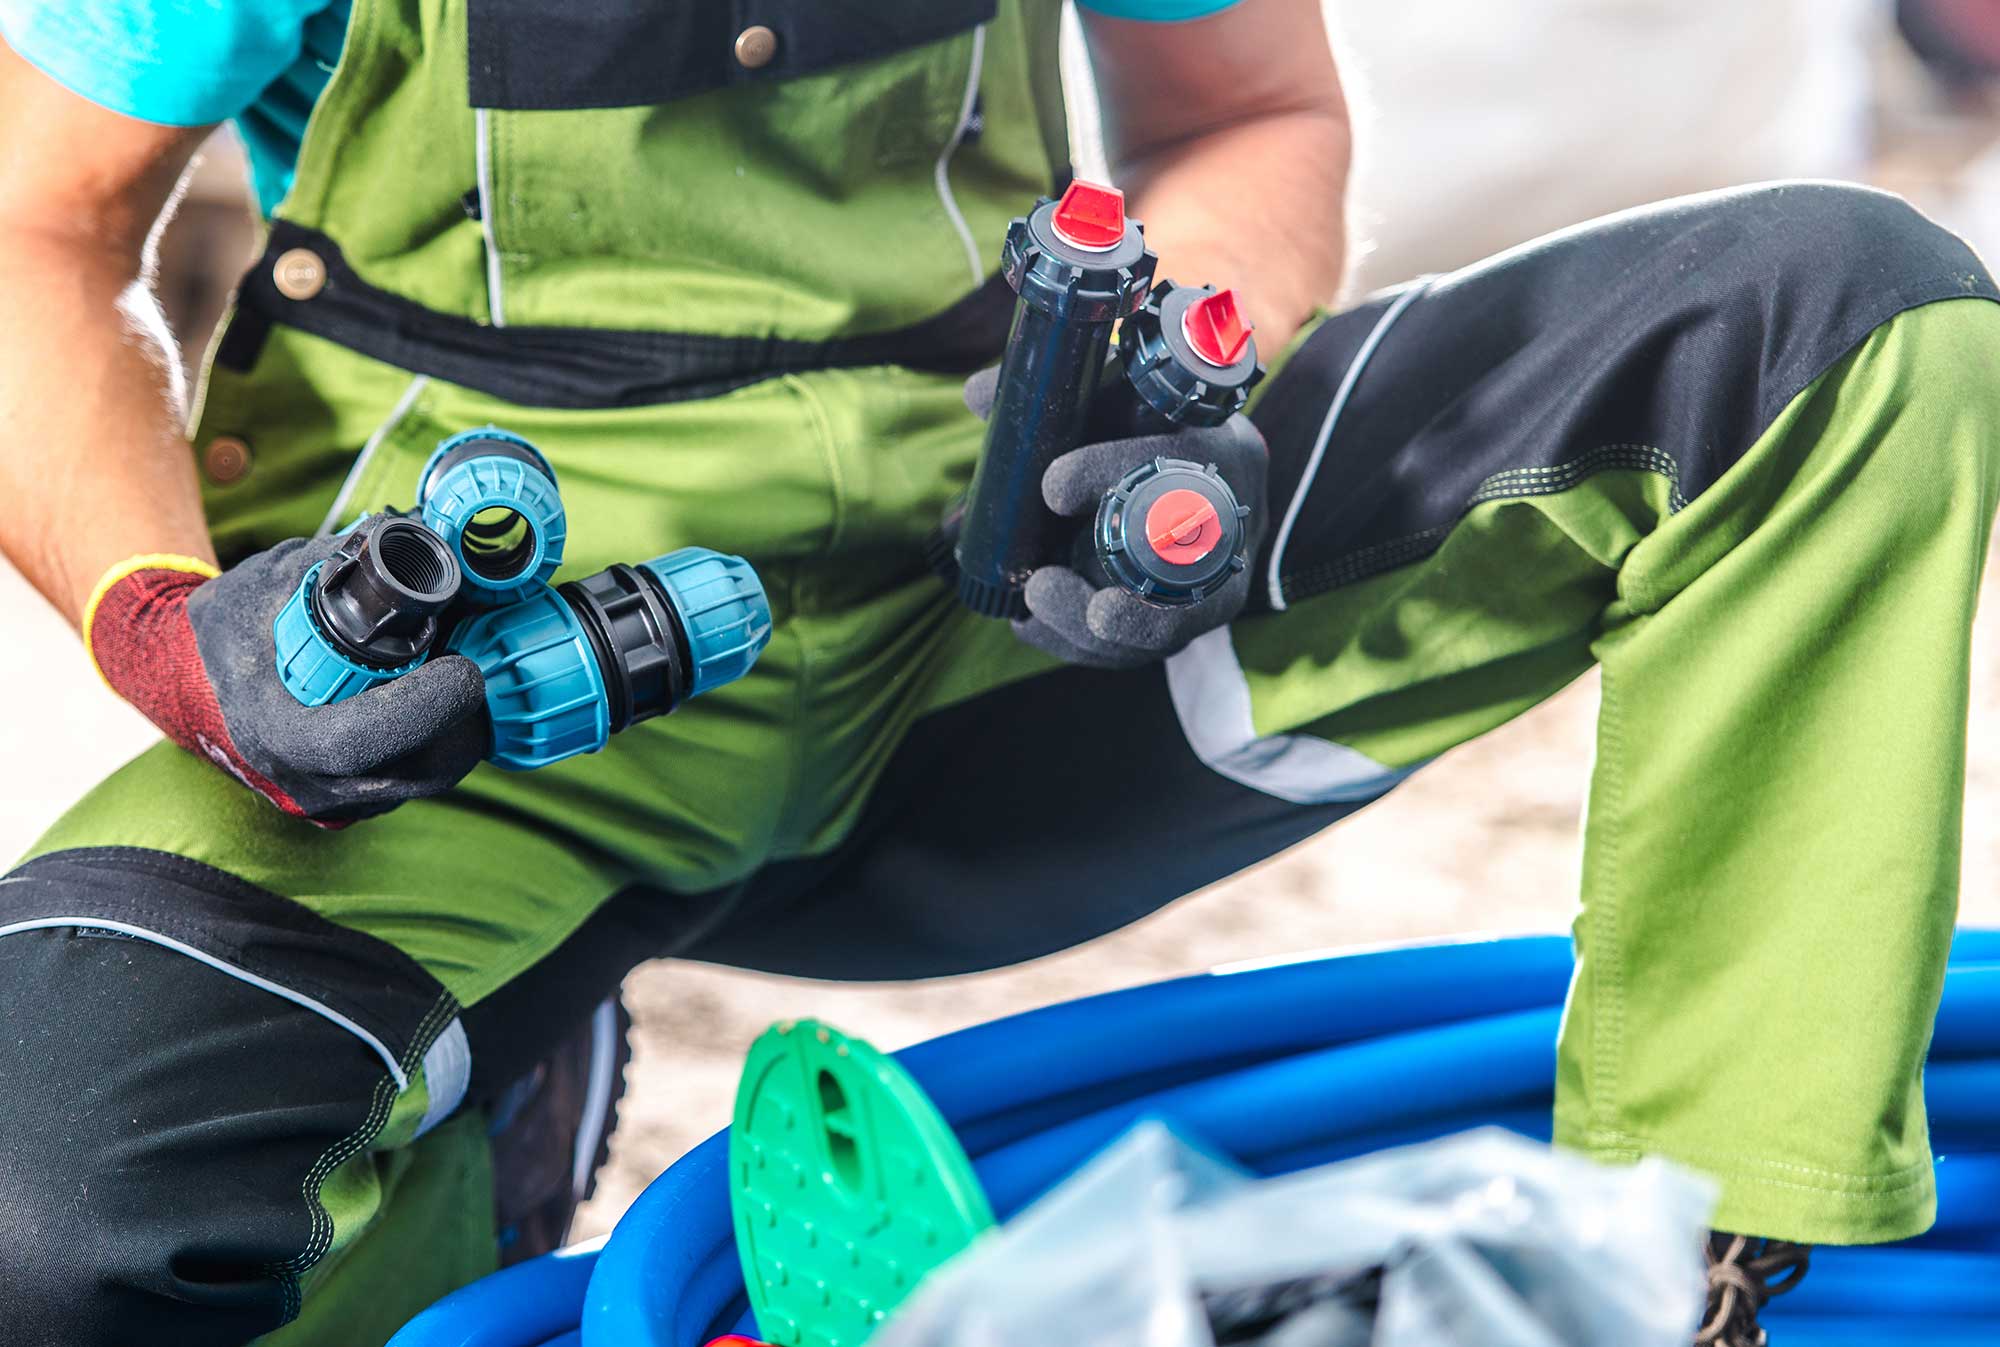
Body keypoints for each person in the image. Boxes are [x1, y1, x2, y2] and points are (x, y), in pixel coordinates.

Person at [0, 2, 1992, 1344]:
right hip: (482, 716)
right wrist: (165, 622)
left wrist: (1177, 377)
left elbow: (1250, 120)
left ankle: (1716, 1254)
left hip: (1024, 617)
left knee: (1840, 321)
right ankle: (462, 1123)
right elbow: (32, 226)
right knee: (60, 1224)